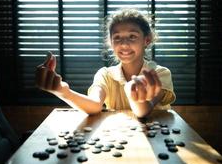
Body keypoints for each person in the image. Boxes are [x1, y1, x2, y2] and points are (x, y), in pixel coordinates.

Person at [36, 8, 175, 118]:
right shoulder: (105, 74)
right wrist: (62, 91)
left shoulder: (160, 73)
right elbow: (95, 105)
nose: (124, 44)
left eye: (132, 36)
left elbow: (143, 112)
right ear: (111, 43)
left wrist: (132, 93)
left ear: (147, 40)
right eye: (117, 37)